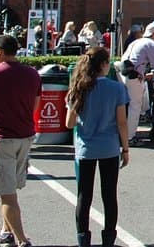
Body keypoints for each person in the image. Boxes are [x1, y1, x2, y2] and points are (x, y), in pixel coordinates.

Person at [0, 34, 41, 247]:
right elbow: (35, 104)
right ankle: (6, 230)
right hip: (25, 135)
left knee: (6, 193)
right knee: (9, 187)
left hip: (0, 137)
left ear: (0, 52)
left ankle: (21, 239)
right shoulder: (32, 74)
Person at [65, 47, 129, 247]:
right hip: (109, 146)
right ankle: (108, 238)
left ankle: (83, 238)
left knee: (84, 196)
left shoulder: (78, 88)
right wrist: (125, 148)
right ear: (103, 65)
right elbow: (121, 122)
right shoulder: (117, 88)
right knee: (109, 194)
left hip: (86, 147)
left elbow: (69, 122)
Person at [119, 23, 154, 144]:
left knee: (128, 106)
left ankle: (124, 135)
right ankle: (130, 137)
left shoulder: (136, 42)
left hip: (124, 74)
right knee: (134, 107)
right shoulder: (151, 44)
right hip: (134, 78)